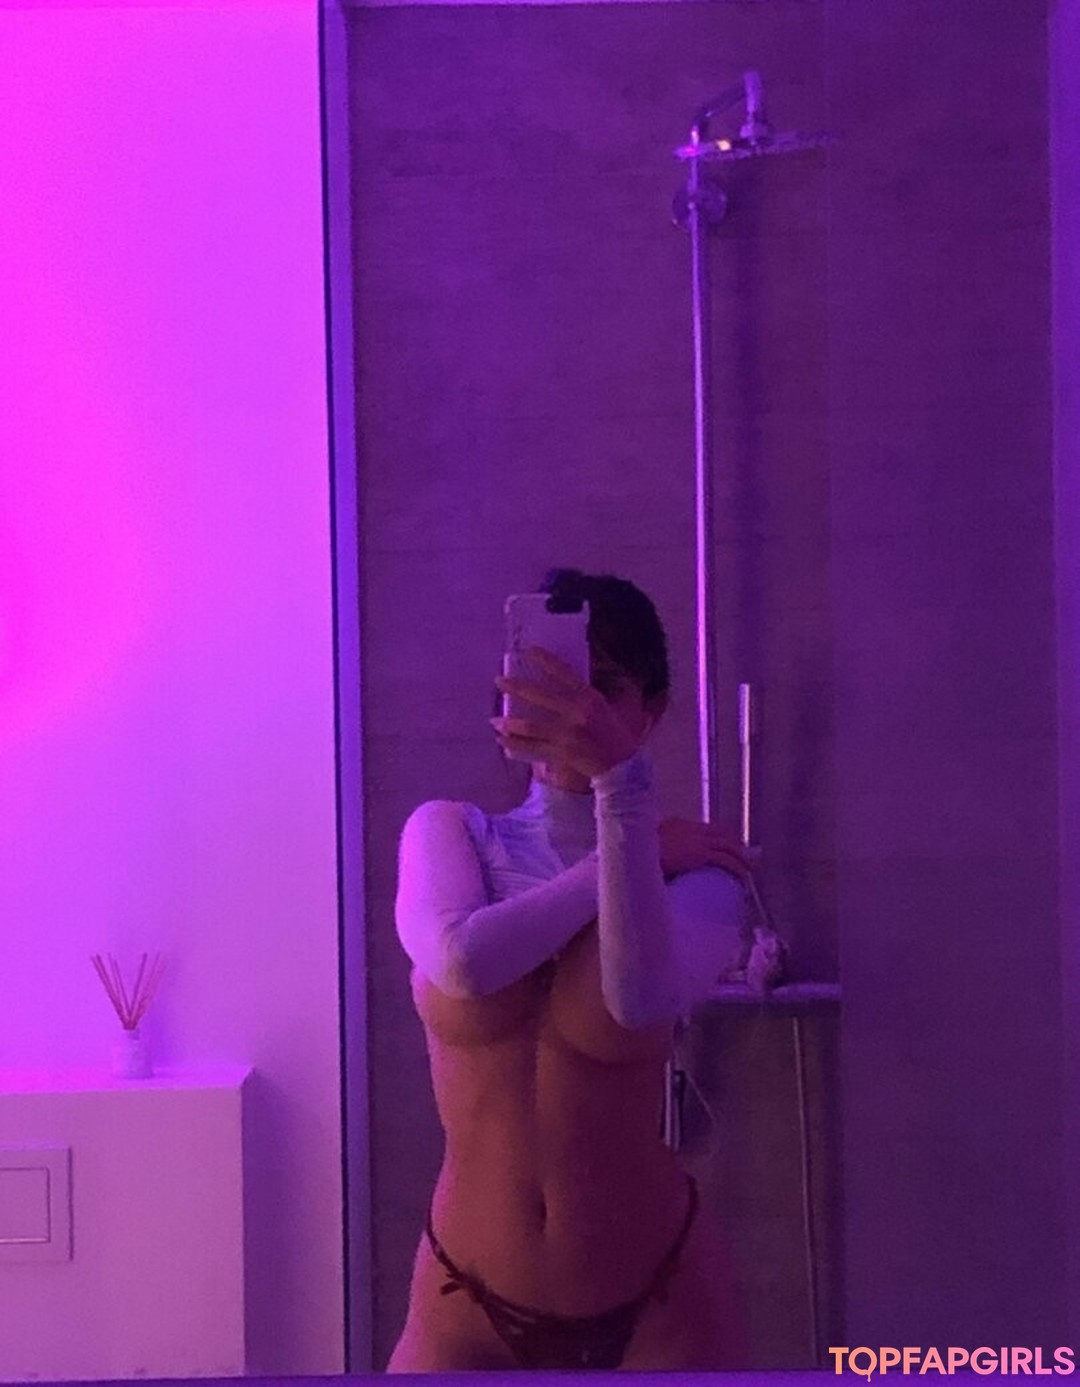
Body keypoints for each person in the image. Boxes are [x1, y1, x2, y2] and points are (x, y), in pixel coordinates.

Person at [389, 569, 755, 1372]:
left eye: (602, 687)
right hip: (464, 1303)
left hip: (661, 1300)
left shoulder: (700, 875)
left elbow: (638, 998)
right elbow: (463, 959)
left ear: (650, 712)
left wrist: (623, 791)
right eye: (548, 678)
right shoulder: (450, 834)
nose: (574, 709)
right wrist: (636, 837)